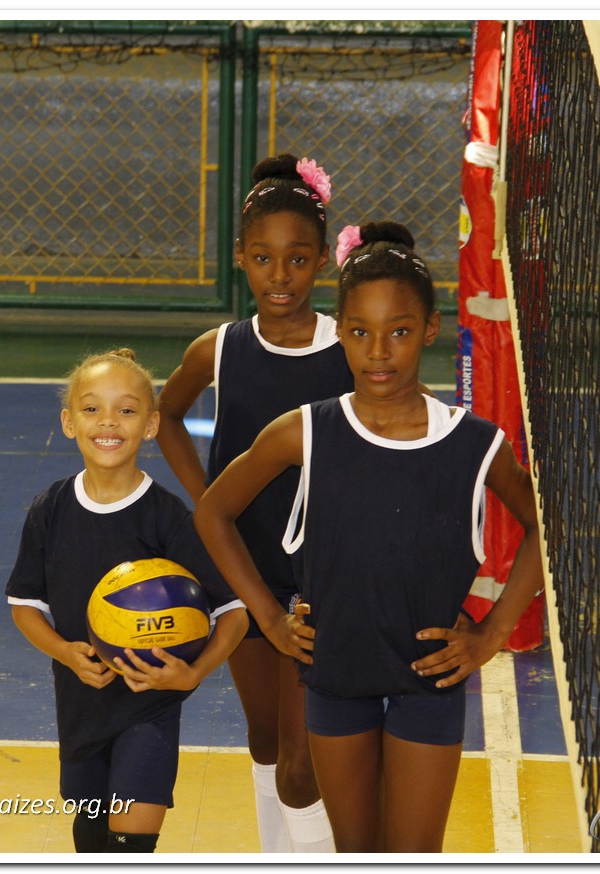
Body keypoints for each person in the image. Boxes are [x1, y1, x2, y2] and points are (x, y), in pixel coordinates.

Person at [193, 221, 543, 853]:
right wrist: (269, 619)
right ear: (341, 333)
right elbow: (213, 513)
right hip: (335, 678)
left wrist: (492, 633)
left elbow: (544, 526)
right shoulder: (303, 432)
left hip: (429, 684)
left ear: (430, 329)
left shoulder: (474, 444)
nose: (379, 351)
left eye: (399, 332)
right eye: (360, 332)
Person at [156, 153, 349, 853]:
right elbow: (165, 415)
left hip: (319, 580)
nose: (280, 276)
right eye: (263, 259)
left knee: (302, 764)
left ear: (322, 261)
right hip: (241, 570)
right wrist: (208, 500)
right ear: (240, 258)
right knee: (266, 739)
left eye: (297, 260)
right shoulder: (221, 349)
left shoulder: (348, 348)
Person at [6, 348, 249, 853]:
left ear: (151, 425)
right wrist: (65, 652)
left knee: (129, 847)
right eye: (92, 409)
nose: (108, 422)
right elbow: (26, 605)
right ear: (69, 423)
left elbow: (233, 612)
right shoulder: (50, 510)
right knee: (91, 840)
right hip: (81, 708)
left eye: (126, 410)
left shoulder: (167, 517)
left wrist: (193, 673)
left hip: (149, 707)